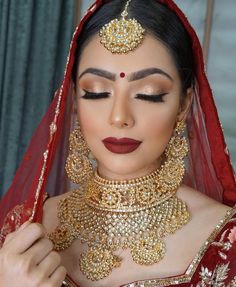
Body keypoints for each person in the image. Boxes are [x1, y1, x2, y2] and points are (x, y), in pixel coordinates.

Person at [0, 0, 236, 286]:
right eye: (97, 93)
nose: (119, 117)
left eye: (149, 94)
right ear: (73, 100)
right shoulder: (22, 233)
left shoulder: (226, 242)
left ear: (183, 105)